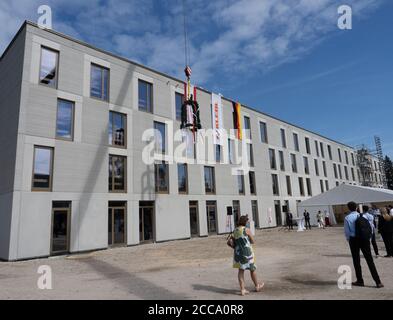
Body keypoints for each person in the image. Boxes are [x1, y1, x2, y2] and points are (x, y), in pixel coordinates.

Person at [344, 201, 384, 288]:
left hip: (354, 240)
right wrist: (369, 238)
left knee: (356, 260)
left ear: (348, 208)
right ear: (356, 207)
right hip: (364, 239)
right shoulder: (363, 215)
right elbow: (370, 227)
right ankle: (378, 281)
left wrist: (349, 240)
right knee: (369, 260)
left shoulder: (347, 217)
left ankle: (360, 280)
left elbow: (347, 232)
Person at [231, 215, 264, 296]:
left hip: (238, 253)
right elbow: (252, 241)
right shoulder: (247, 230)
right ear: (245, 222)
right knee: (252, 269)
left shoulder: (235, 230)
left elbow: (232, 241)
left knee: (241, 271)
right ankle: (257, 286)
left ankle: (242, 290)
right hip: (247, 252)